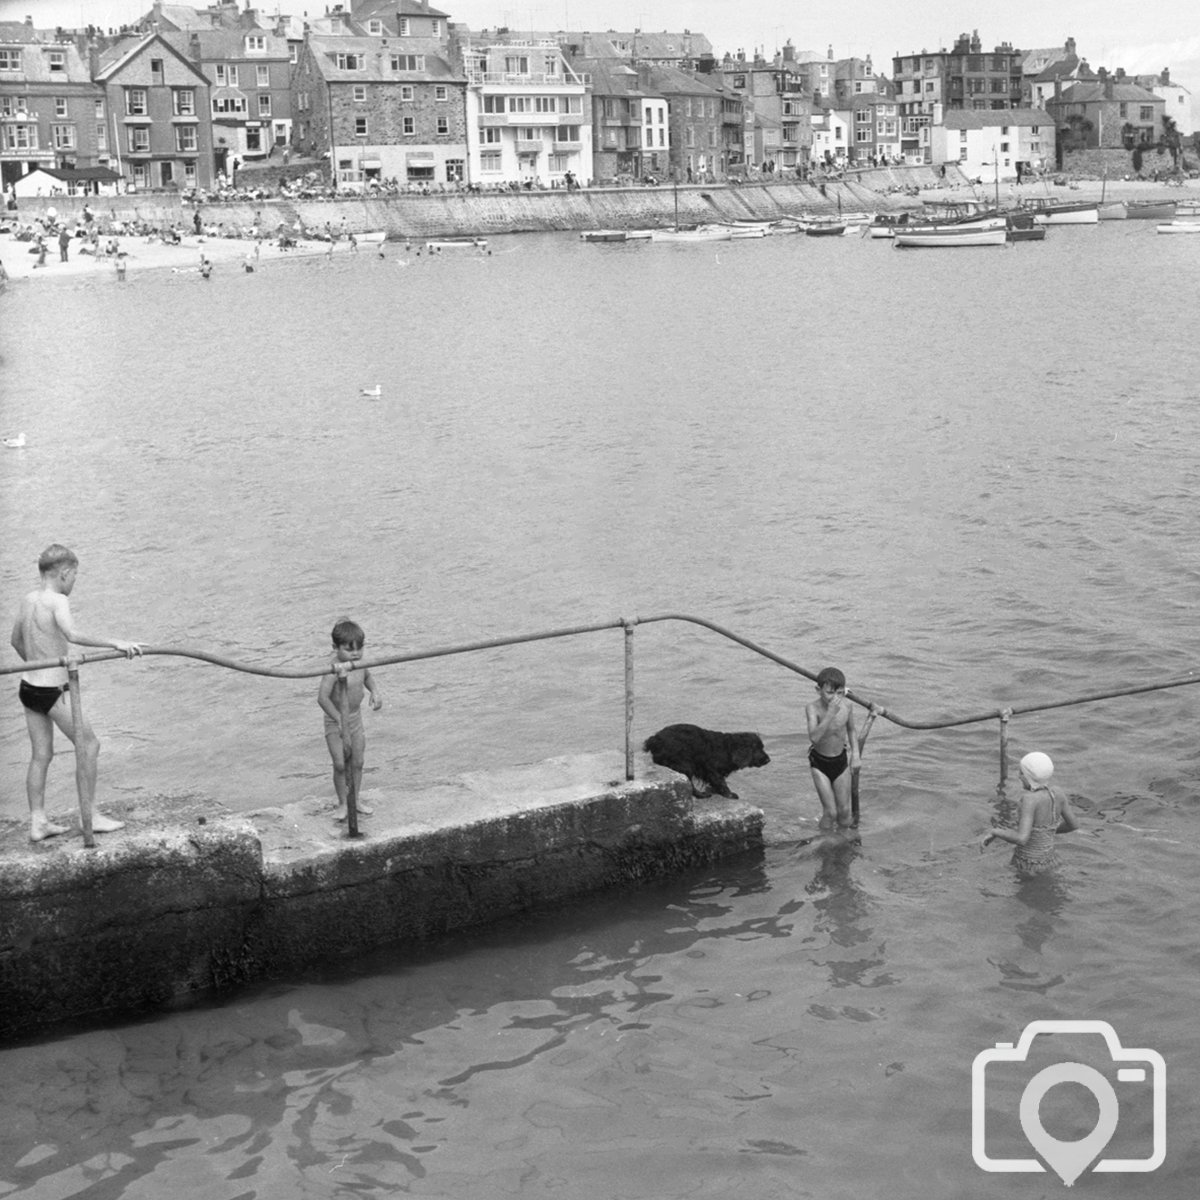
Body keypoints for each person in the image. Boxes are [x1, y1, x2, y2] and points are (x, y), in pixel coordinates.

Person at [10, 544, 143, 842]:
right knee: (89, 744)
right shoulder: (57, 601)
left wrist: (37, 667)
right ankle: (90, 816)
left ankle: (38, 822)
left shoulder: (28, 599)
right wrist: (116, 643)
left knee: (41, 754)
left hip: (28, 687)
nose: (74, 582)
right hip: (51, 690)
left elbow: (15, 640)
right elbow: (72, 634)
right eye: (75, 576)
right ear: (65, 573)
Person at [317, 617, 383, 821]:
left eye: (359, 648)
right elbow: (322, 698)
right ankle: (343, 803)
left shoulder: (359, 665)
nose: (355, 653)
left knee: (358, 761)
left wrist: (375, 692)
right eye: (349, 649)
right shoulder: (332, 669)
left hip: (355, 719)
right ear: (335, 648)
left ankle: (356, 799)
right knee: (339, 763)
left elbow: (368, 678)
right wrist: (338, 719)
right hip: (335, 722)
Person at [981, 751, 1079, 872]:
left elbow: (1022, 839)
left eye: (1021, 773)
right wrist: (1043, 834)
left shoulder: (1029, 799)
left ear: (1029, 777)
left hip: (1028, 863)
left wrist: (995, 832)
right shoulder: (1058, 793)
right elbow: (1073, 825)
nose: (1019, 776)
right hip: (1050, 859)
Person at [805, 666, 860, 829]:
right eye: (830, 693)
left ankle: (844, 844)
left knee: (844, 812)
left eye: (840, 693)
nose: (835, 698)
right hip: (820, 763)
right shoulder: (812, 708)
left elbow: (851, 729)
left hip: (840, 760)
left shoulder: (847, 705)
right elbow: (814, 738)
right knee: (831, 813)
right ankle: (825, 842)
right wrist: (830, 714)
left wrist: (855, 755)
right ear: (818, 690)